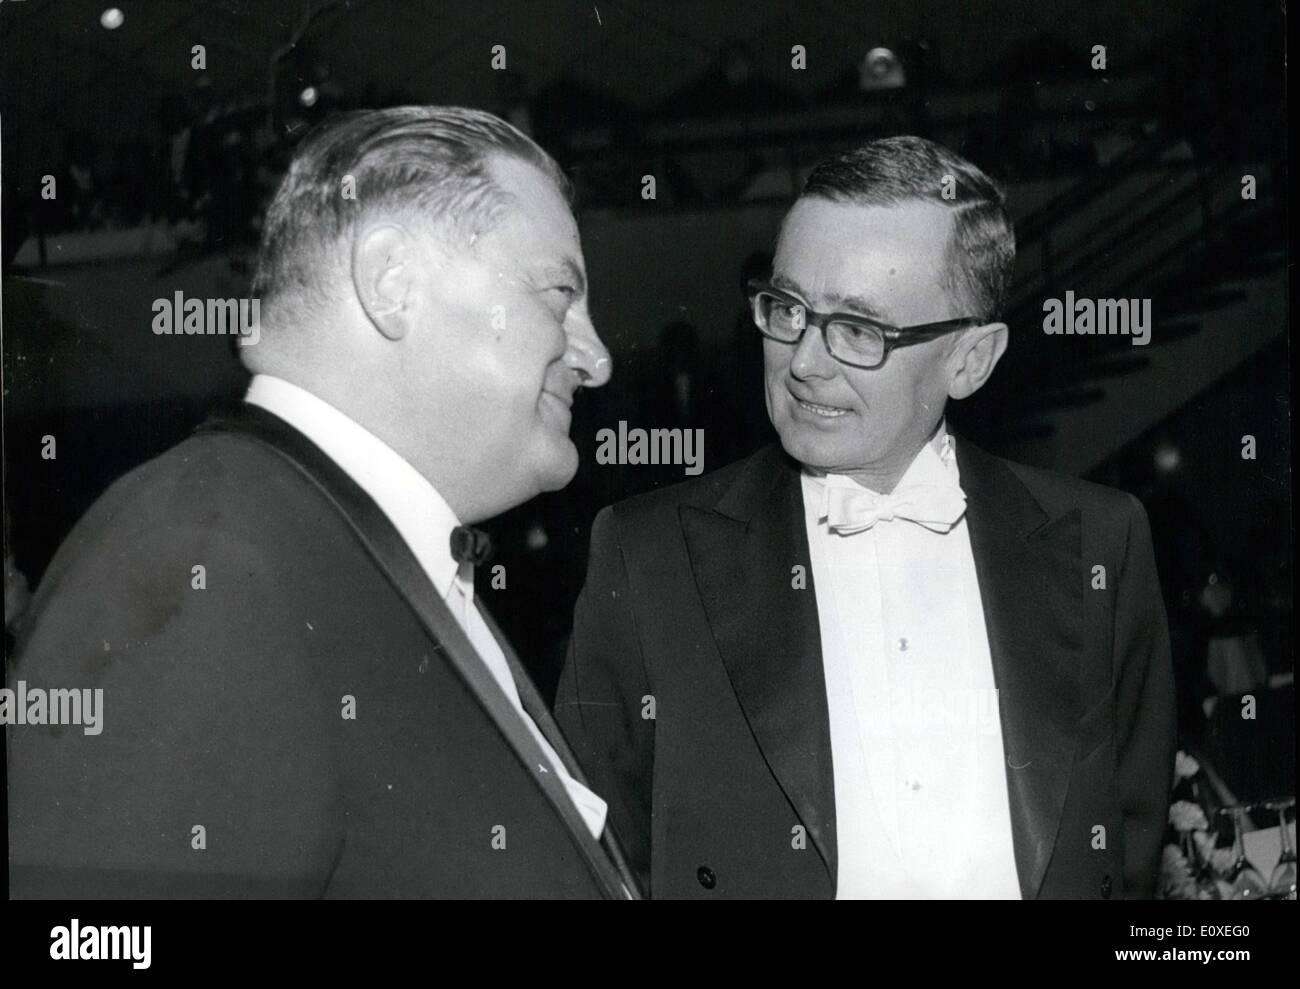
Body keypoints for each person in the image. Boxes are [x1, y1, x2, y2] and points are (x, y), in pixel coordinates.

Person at [8, 106, 638, 899]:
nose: (597, 357)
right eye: (560, 293)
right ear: (392, 282)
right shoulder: (207, 562)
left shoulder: (332, 546)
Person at [556, 136, 1175, 899]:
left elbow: (1128, 849)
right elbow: (588, 867)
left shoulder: (1102, 541)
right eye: (788, 309)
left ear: (971, 359)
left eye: (859, 329)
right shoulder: (648, 557)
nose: (803, 362)